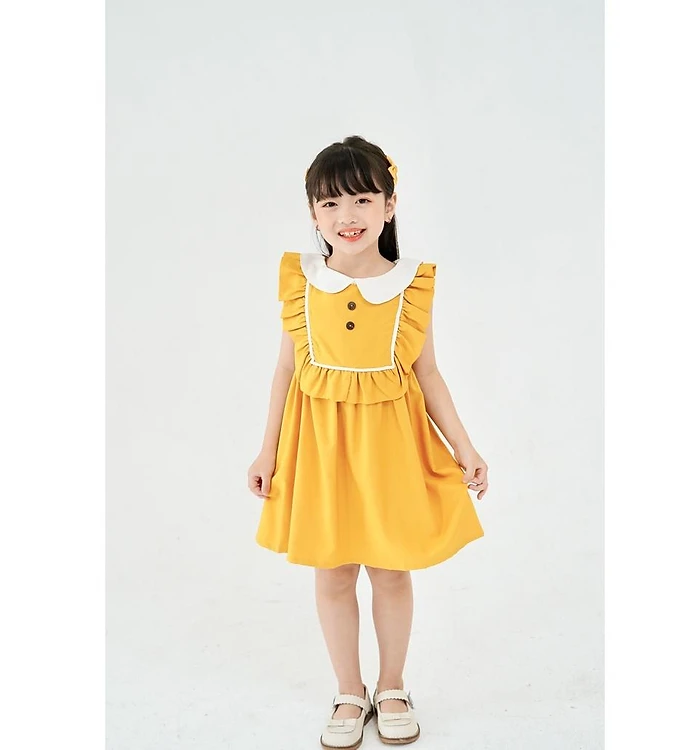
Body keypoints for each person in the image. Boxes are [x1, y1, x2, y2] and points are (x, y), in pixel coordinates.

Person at [247, 135, 489, 748]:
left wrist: (465, 447)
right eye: (330, 203)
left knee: (390, 571)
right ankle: (348, 690)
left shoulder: (411, 285)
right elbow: (286, 370)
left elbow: (427, 374)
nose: (346, 216)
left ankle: (393, 685)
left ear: (389, 204)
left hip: (390, 451)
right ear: (313, 211)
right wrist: (267, 448)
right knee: (332, 573)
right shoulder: (301, 281)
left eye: (361, 199)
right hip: (320, 450)